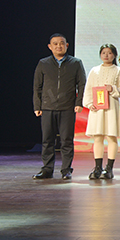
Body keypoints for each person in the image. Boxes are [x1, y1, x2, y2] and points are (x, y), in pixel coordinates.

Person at [32, 33, 86, 180]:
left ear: (66, 45)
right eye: (55, 44)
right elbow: (37, 86)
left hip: (67, 107)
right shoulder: (43, 63)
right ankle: (47, 169)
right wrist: (37, 105)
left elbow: (82, 84)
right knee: (47, 140)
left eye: (61, 43)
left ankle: (66, 170)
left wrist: (79, 103)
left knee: (66, 140)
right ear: (50, 47)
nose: (58, 46)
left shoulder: (76, 63)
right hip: (47, 107)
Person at [82, 44, 120, 180]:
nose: (106, 55)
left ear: (114, 55)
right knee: (98, 137)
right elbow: (88, 88)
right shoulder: (94, 70)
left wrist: (113, 88)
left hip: (111, 108)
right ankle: (97, 168)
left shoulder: (118, 71)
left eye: (109, 53)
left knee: (111, 136)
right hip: (97, 109)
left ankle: (109, 169)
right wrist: (89, 104)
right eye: (104, 53)